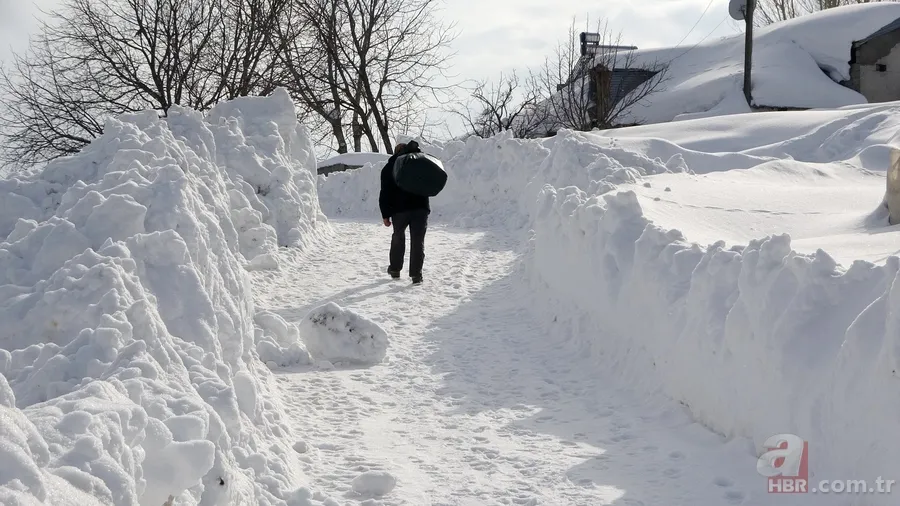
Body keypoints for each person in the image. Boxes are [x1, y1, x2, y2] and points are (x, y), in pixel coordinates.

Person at [379, 140, 429, 284]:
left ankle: (395, 269)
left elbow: (385, 192)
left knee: (398, 237)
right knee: (418, 241)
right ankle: (416, 275)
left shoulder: (389, 167)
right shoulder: (420, 163)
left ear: (396, 152)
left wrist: (385, 214)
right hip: (420, 207)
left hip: (399, 209)